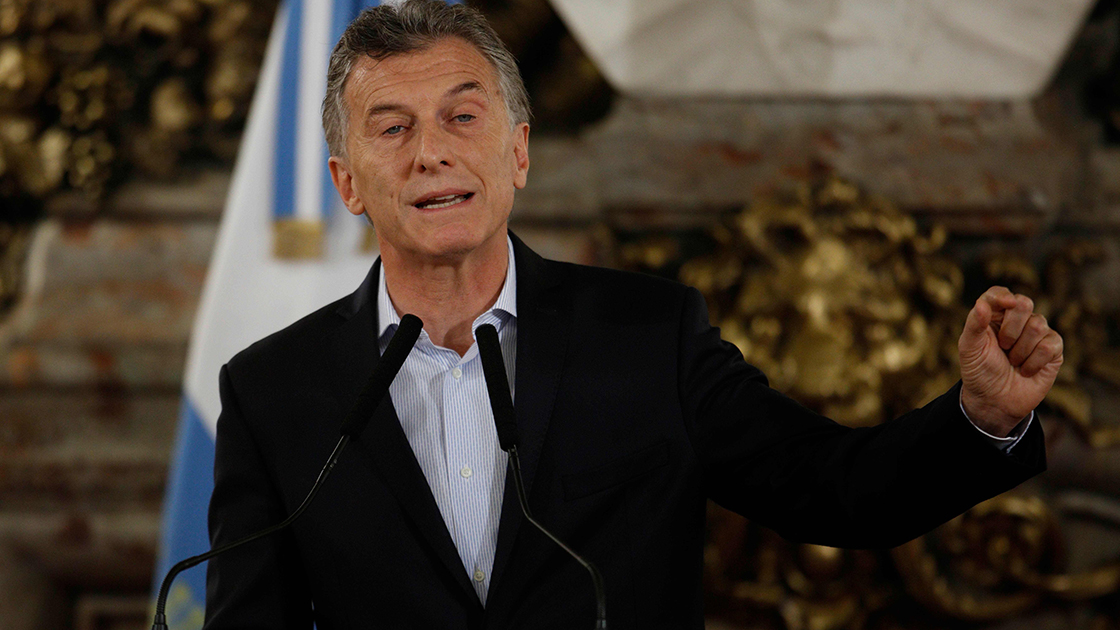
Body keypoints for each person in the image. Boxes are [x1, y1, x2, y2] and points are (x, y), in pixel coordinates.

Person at [203, 1, 1061, 628]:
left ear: (518, 151)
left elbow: (835, 492)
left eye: (463, 116)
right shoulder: (274, 392)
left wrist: (980, 419)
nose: (433, 152)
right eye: (391, 128)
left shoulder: (649, 338)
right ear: (347, 183)